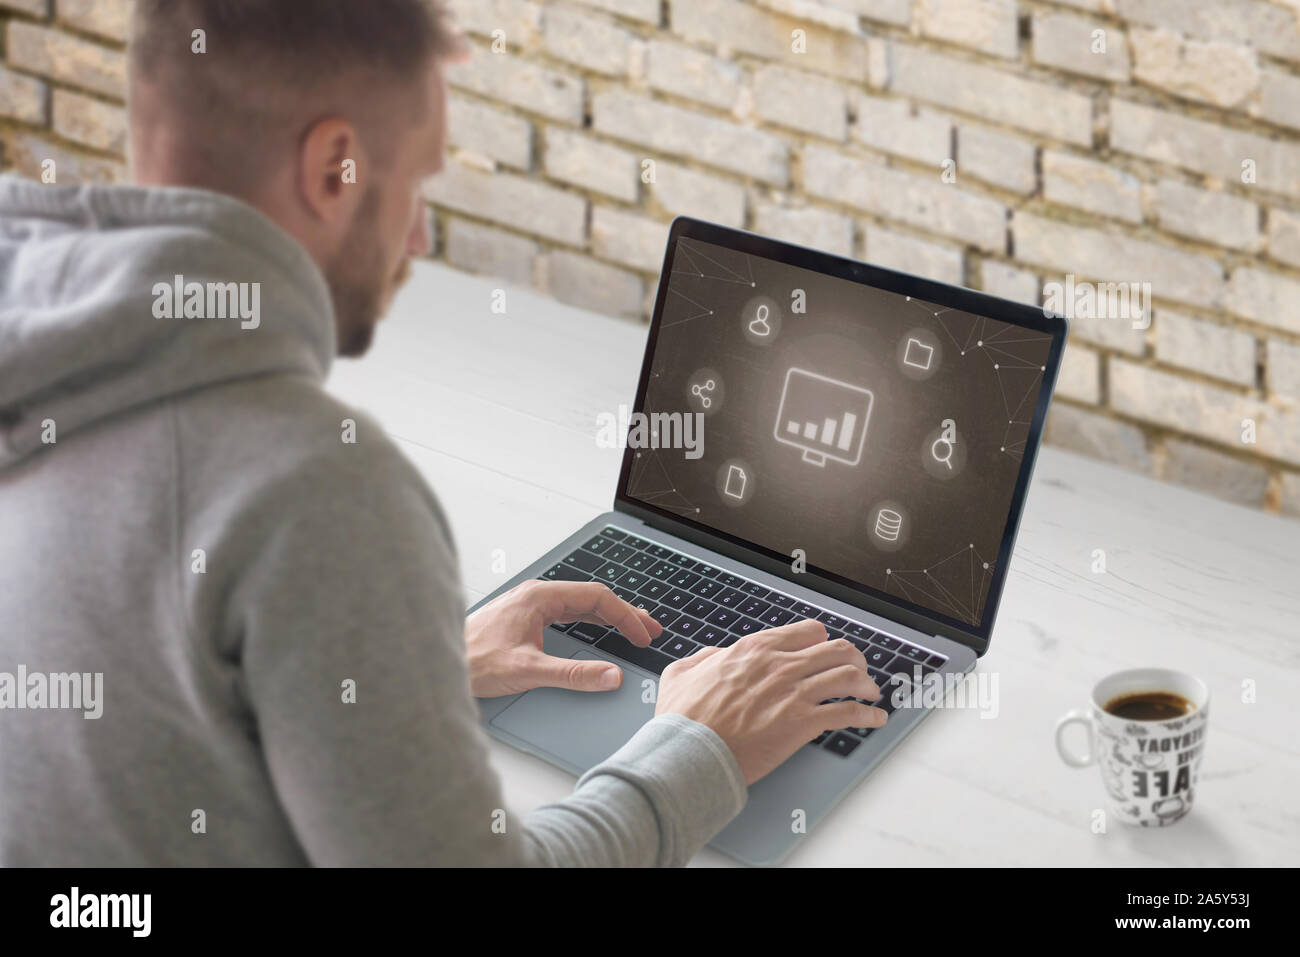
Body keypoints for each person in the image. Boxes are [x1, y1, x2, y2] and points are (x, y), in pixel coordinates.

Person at [0, 0, 884, 866]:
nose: (419, 235)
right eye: (418, 181)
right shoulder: (312, 490)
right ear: (335, 168)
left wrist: (389, 680)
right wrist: (702, 745)